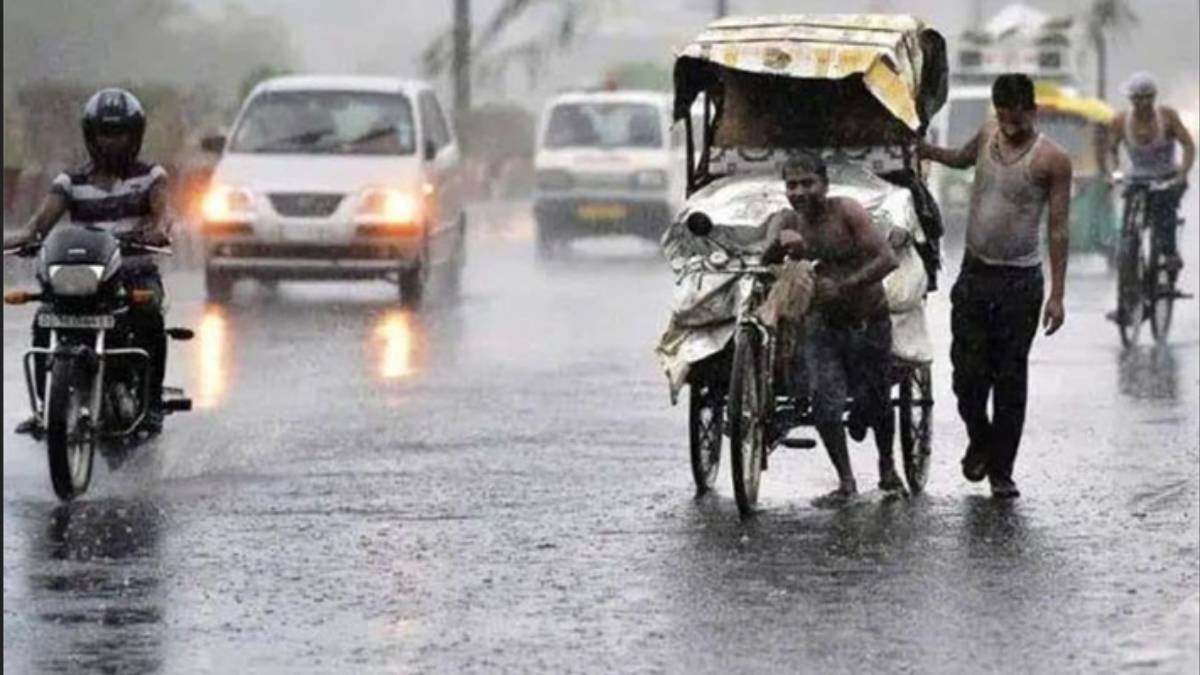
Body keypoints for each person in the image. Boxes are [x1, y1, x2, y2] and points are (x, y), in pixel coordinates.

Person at [918, 73, 1072, 499]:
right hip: (975, 273)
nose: (1010, 128)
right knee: (966, 375)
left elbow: (1058, 229)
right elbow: (961, 158)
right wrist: (925, 149)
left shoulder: (1053, 160)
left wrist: (1057, 296)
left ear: (1032, 111)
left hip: (1020, 282)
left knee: (1009, 377)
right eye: (1004, 119)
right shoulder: (987, 133)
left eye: (1018, 120)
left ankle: (1001, 471)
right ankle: (979, 439)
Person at [4, 88, 172, 434]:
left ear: (135, 134)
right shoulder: (70, 181)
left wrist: (158, 231)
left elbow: (164, 215)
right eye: (104, 134)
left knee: (149, 315)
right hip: (83, 277)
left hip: (133, 274)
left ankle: (151, 403)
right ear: (90, 135)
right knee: (43, 319)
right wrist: (20, 240)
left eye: (120, 133)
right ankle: (44, 409)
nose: (112, 142)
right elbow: (38, 226)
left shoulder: (152, 176)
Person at [764, 154, 900, 505]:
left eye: (808, 183)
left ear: (824, 184)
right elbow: (766, 263)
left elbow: (887, 259)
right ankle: (846, 481)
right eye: (792, 185)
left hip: (868, 322)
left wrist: (847, 285)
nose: (800, 192)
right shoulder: (790, 221)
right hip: (823, 325)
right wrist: (779, 247)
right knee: (825, 406)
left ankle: (888, 467)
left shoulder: (848, 212)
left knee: (878, 402)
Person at [1102, 72, 1195, 277]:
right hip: (1137, 179)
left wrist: (1182, 173)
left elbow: (1188, 145)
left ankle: (1169, 253)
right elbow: (1110, 150)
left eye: (1147, 98)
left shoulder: (1167, 117)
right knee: (1130, 219)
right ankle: (1129, 253)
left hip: (1166, 177)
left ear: (1153, 98)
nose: (1142, 105)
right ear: (1131, 100)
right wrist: (1114, 172)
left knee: (1165, 212)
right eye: (1137, 99)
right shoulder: (1121, 121)